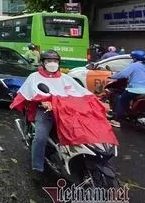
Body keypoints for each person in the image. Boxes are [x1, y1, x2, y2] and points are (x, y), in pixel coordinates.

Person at [10, 50, 96, 181]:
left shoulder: (65, 78)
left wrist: (95, 103)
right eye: (49, 61)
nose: (52, 63)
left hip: (65, 113)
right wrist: (42, 101)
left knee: (83, 133)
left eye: (55, 61)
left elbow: (79, 93)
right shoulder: (34, 77)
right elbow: (31, 92)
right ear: (43, 63)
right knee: (40, 138)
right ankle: (37, 167)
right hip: (45, 112)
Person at [109, 50, 145, 128]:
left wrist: (112, 76)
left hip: (135, 90)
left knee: (121, 99)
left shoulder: (134, 65)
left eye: (133, 58)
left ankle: (116, 120)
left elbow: (123, 74)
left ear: (135, 58)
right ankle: (130, 114)